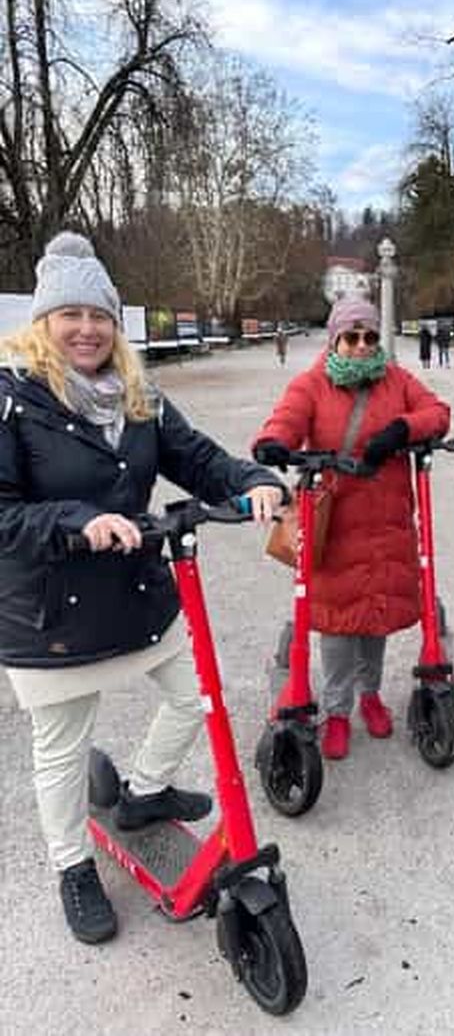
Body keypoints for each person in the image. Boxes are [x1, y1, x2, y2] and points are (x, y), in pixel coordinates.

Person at [0, 232, 288, 946]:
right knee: (64, 744)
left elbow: (194, 457)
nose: (88, 329)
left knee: (197, 694)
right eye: (71, 315)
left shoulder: (139, 395)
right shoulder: (11, 397)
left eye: (99, 315)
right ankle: (73, 865)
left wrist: (250, 481)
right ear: (44, 323)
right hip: (49, 611)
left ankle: (145, 792)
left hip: (136, 589)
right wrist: (77, 519)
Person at [252, 296, 450, 761]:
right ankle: (338, 709)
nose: (362, 346)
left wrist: (402, 429)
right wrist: (272, 444)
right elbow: (286, 419)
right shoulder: (313, 384)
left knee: (374, 618)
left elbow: (438, 413)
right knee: (338, 624)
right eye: (352, 337)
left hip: (386, 521)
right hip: (336, 521)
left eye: (370, 337)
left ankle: (371, 695)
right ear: (335, 339)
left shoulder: (397, 380)